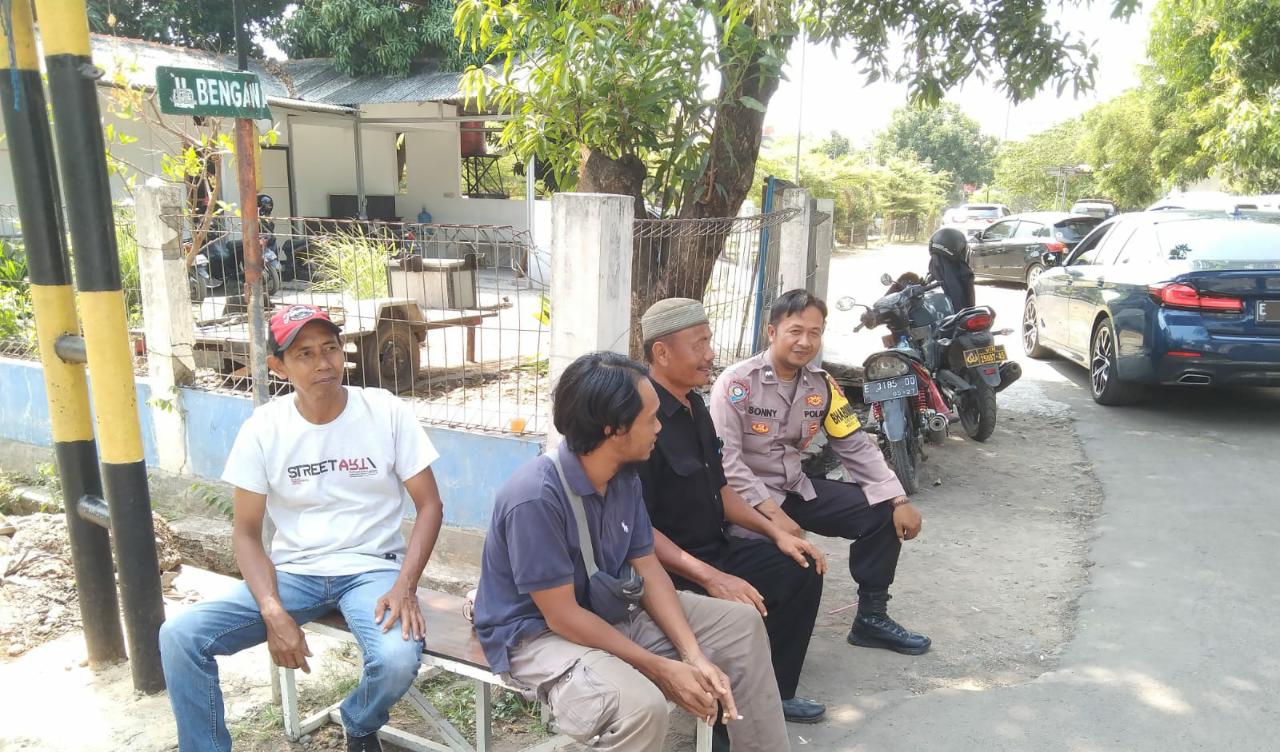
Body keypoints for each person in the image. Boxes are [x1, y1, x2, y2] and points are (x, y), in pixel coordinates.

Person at [160, 304, 446, 752]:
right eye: (305, 354)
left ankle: (358, 718)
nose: (322, 363)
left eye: (330, 348)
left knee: (395, 660)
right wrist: (272, 609)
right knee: (180, 636)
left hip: (372, 570)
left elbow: (430, 505)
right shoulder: (264, 429)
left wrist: (405, 585)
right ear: (279, 366)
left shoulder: (384, 411)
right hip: (295, 574)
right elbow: (246, 532)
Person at [473, 351, 791, 752]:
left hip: (607, 608)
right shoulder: (534, 497)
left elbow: (649, 567)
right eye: (651, 418)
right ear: (614, 429)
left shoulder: (623, 477)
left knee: (740, 625)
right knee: (641, 707)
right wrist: (659, 668)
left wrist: (693, 656)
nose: (660, 427)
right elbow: (562, 616)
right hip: (537, 635)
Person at [635, 298, 830, 726]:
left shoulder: (695, 407)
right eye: (699, 345)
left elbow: (720, 489)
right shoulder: (642, 419)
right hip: (670, 571)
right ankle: (732, 719)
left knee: (799, 567)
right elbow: (636, 530)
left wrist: (776, 531)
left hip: (716, 549)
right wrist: (711, 577)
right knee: (738, 615)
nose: (710, 355)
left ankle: (775, 693)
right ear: (661, 352)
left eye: (709, 342)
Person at [709, 289, 931, 655]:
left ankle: (871, 618)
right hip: (746, 502)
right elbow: (728, 463)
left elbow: (854, 444)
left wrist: (898, 497)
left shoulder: (821, 384)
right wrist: (773, 516)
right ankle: (759, 639)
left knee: (880, 513)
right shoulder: (737, 384)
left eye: (814, 332)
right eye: (795, 331)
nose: (805, 341)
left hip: (795, 488)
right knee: (778, 560)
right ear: (772, 332)